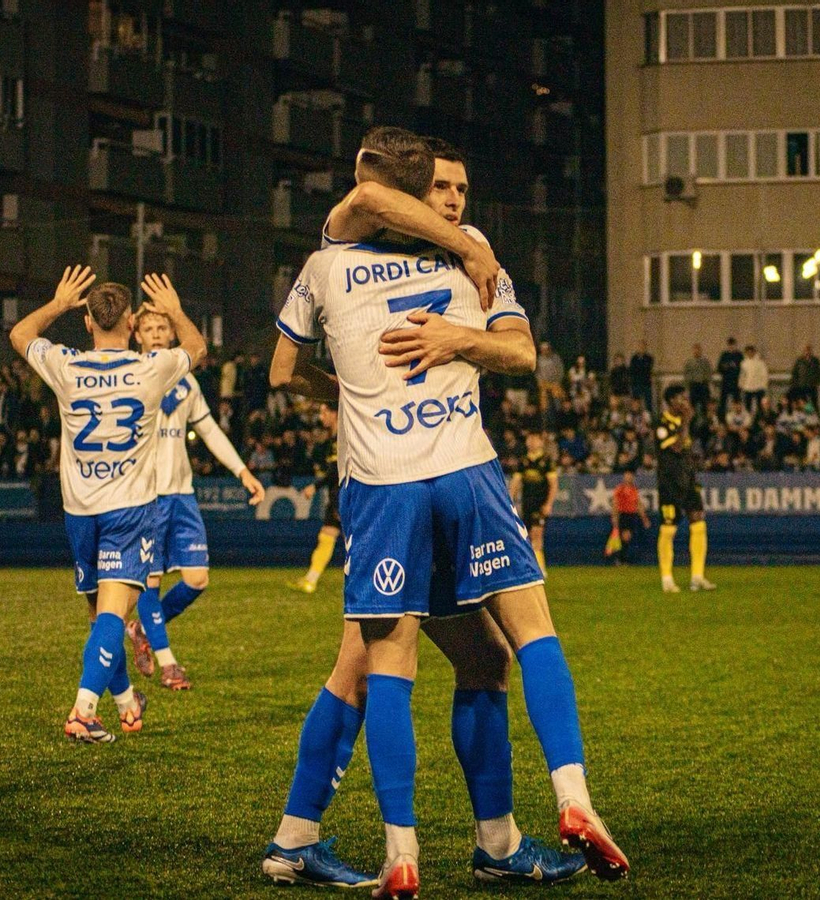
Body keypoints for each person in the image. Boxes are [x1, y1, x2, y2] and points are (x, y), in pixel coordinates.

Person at [269, 128, 622, 897]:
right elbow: (366, 199)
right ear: (410, 197)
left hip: (387, 487)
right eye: (441, 190)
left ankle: (468, 843)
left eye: (464, 191)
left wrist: (453, 337)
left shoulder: (335, 264)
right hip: (431, 480)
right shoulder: (412, 248)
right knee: (366, 667)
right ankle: (308, 842)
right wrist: (473, 257)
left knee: (454, 661)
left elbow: (519, 352)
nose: (455, 203)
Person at [10, 267, 204, 742]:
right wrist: (175, 310)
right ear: (134, 323)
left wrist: (58, 303)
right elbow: (198, 349)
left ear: (88, 323)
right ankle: (83, 710)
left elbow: (19, 334)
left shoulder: (66, 364)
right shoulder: (150, 368)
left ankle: (125, 702)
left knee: (101, 620)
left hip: (79, 512)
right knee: (114, 617)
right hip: (129, 510)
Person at [126, 301, 264, 690]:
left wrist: (242, 471)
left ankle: (141, 629)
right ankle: (169, 663)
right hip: (146, 497)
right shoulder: (131, 376)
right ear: (137, 335)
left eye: (161, 328)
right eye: (148, 328)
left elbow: (209, 432)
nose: (155, 334)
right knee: (149, 582)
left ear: (172, 334)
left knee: (198, 579)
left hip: (181, 494)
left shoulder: (186, 383)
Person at [655, 384, 715, 593]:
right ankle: (667, 578)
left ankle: (697, 576)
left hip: (688, 479)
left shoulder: (683, 423)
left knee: (698, 519)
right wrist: (686, 422)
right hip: (669, 482)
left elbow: (686, 449)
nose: (685, 402)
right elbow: (677, 447)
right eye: (681, 398)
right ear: (671, 401)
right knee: (669, 528)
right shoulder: (662, 423)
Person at [288, 405, 344, 595]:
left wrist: (315, 486)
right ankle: (311, 579)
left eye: (324, 412)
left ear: (334, 413)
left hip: (344, 494)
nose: (321, 417)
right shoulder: (332, 438)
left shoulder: (342, 437)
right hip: (336, 494)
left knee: (352, 538)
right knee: (327, 535)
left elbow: (337, 470)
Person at [510, 431, 558, 572]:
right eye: (529, 439)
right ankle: (532, 567)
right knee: (528, 536)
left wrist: (549, 504)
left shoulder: (547, 461)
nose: (531, 442)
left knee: (537, 534)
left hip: (540, 504)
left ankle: (539, 569)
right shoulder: (523, 461)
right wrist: (509, 502)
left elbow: (553, 484)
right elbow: (515, 483)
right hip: (527, 504)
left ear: (541, 442)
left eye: (535, 439)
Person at [610, 469, 647, 566]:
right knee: (624, 537)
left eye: (630, 476)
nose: (629, 478)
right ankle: (620, 559)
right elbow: (615, 503)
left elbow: (638, 503)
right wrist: (614, 516)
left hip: (632, 515)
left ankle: (621, 558)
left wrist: (644, 518)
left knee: (627, 537)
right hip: (623, 514)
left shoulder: (634, 489)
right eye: (627, 476)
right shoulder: (620, 488)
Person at [739, 344, 768, 413]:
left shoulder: (760, 363)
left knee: (760, 407)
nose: (749, 353)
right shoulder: (744, 363)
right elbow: (742, 375)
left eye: (751, 352)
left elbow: (764, 375)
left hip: (759, 387)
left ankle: (760, 420)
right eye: (748, 352)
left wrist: (764, 386)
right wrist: (741, 385)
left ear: (754, 352)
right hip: (747, 387)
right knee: (747, 407)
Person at [683, 343, 712, 411]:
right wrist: (688, 385)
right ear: (693, 351)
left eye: (698, 350)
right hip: (693, 386)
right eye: (695, 350)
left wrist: (707, 381)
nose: (696, 351)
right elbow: (686, 374)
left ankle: (704, 419)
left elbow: (708, 372)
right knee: (693, 405)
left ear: (700, 351)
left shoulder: (705, 362)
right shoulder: (689, 362)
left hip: (703, 385)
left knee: (704, 404)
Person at [628, 341, 654, 410]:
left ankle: (648, 416)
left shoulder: (649, 358)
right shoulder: (634, 358)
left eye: (642, 347)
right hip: (636, 383)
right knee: (636, 400)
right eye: (640, 346)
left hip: (646, 382)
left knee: (648, 401)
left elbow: (647, 368)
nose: (641, 348)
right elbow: (632, 369)